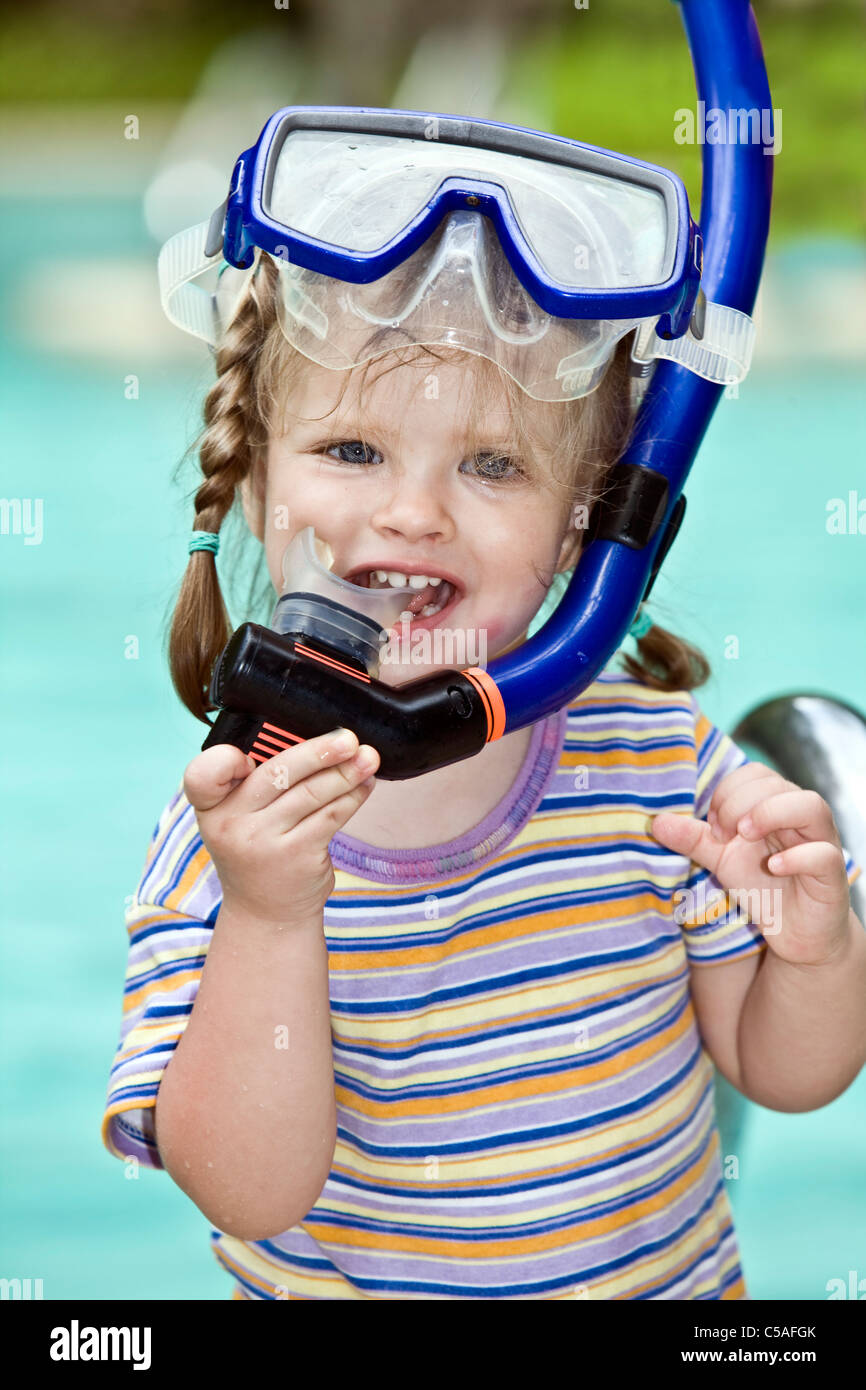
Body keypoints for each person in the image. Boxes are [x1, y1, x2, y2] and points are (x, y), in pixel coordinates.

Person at [101, 120, 865, 1301]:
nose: (411, 513)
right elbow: (246, 1192)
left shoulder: (660, 770)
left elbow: (780, 1073)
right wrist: (266, 914)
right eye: (352, 448)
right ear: (257, 486)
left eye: (492, 466)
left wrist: (812, 954)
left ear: (580, 522)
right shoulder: (232, 832)